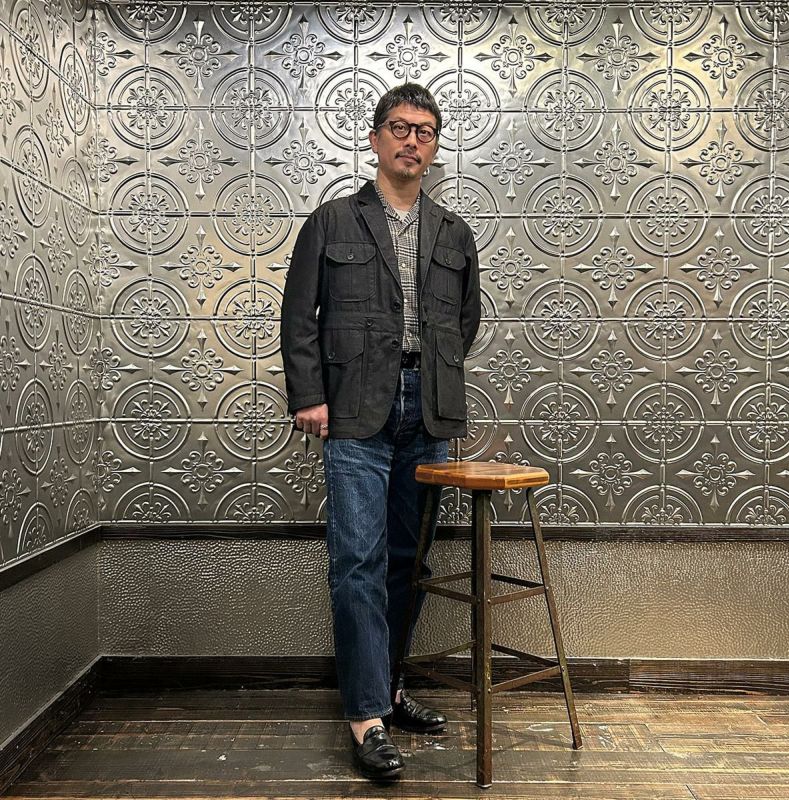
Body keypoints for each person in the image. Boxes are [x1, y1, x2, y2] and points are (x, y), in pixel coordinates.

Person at [280, 83, 481, 780]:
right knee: (357, 560)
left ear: (434, 147)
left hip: (428, 409)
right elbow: (298, 315)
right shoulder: (333, 220)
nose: (411, 140)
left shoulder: (453, 232)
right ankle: (366, 717)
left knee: (407, 560)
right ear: (374, 139)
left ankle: (390, 690)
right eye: (399, 127)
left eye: (425, 131)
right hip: (354, 408)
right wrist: (310, 395)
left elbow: (465, 321)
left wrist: (437, 379)